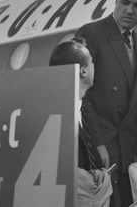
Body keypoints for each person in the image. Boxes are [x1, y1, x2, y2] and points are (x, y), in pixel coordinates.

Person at [76, 0, 137, 207]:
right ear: (116, 0)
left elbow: (134, 102)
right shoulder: (92, 33)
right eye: (125, 2)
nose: (129, 10)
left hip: (126, 148)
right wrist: (96, 143)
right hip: (99, 143)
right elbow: (81, 95)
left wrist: (136, 149)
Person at [49, 37, 113, 207]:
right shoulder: (59, 114)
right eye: (91, 62)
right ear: (83, 71)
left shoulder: (76, 106)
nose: (94, 66)